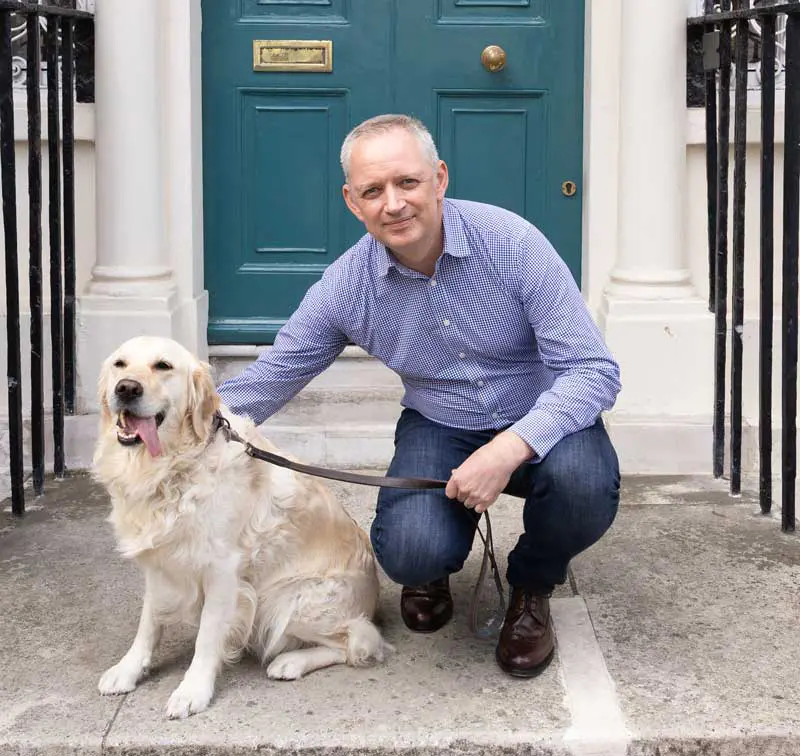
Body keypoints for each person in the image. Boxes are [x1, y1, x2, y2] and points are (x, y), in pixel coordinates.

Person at [217, 114, 621, 678]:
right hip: (440, 424)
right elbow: (274, 375)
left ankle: (532, 584)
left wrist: (508, 449)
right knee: (408, 550)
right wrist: (174, 415)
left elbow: (593, 370)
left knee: (585, 488)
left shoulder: (512, 243)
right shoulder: (347, 285)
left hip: (541, 417)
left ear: (439, 179)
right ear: (353, 203)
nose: (394, 203)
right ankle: (432, 565)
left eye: (407, 182)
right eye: (373, 191)